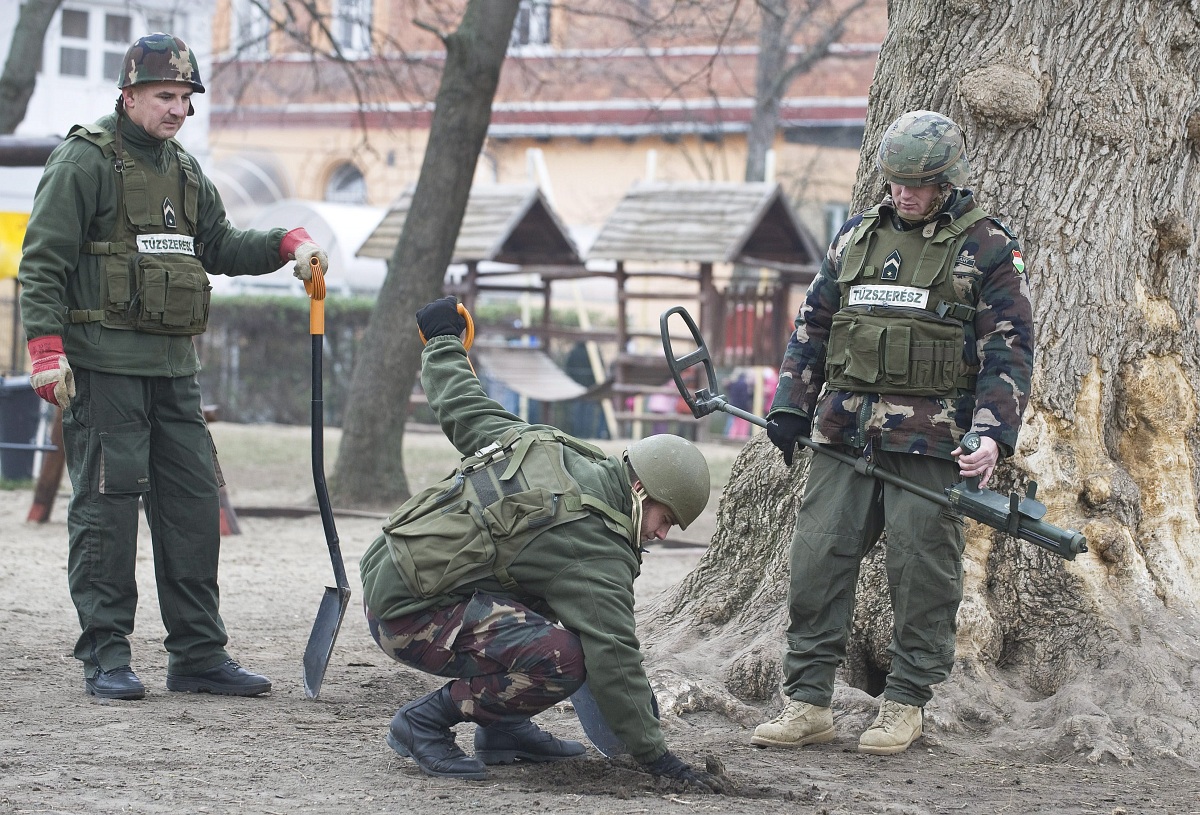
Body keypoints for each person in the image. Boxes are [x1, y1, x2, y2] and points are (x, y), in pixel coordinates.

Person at [18, 33, 329, 701]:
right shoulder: (84, 161)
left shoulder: (185, 170)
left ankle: (197, 653)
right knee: (106, 512)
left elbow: (218, 243)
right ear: (128, 94)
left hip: (173, 371)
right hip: (102, 372)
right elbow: (40, 262)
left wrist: (287, 242)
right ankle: (106, 652)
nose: (178, 110)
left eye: (186, 99)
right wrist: (45, 351)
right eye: (165, 96)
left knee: (191, 508)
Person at [751, 110, 1034, 755]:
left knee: (920, 571)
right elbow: (815, 325)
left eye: (919, 184)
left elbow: (1009, 349)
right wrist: (791, 404)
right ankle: (807, 702)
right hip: (846, 435)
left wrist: (992, 433)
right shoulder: (856, 237)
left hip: (932, 442)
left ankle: (905, 702)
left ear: (947, 180)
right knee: (817, 561)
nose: (905, 194)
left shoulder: (985, 246)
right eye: (897, 181)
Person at [358, 296, 725, 792]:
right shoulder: (596, 547)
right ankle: (425, 721)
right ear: (640, 490)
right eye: (665, 518)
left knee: (537, 596)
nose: (661, 534)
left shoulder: (548, 448)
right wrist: (657, 758)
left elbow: (462, 405)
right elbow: (614, 656)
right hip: (407, 614)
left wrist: (442, 338)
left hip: (391, 567)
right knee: (565, 659)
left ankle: (502, 730)